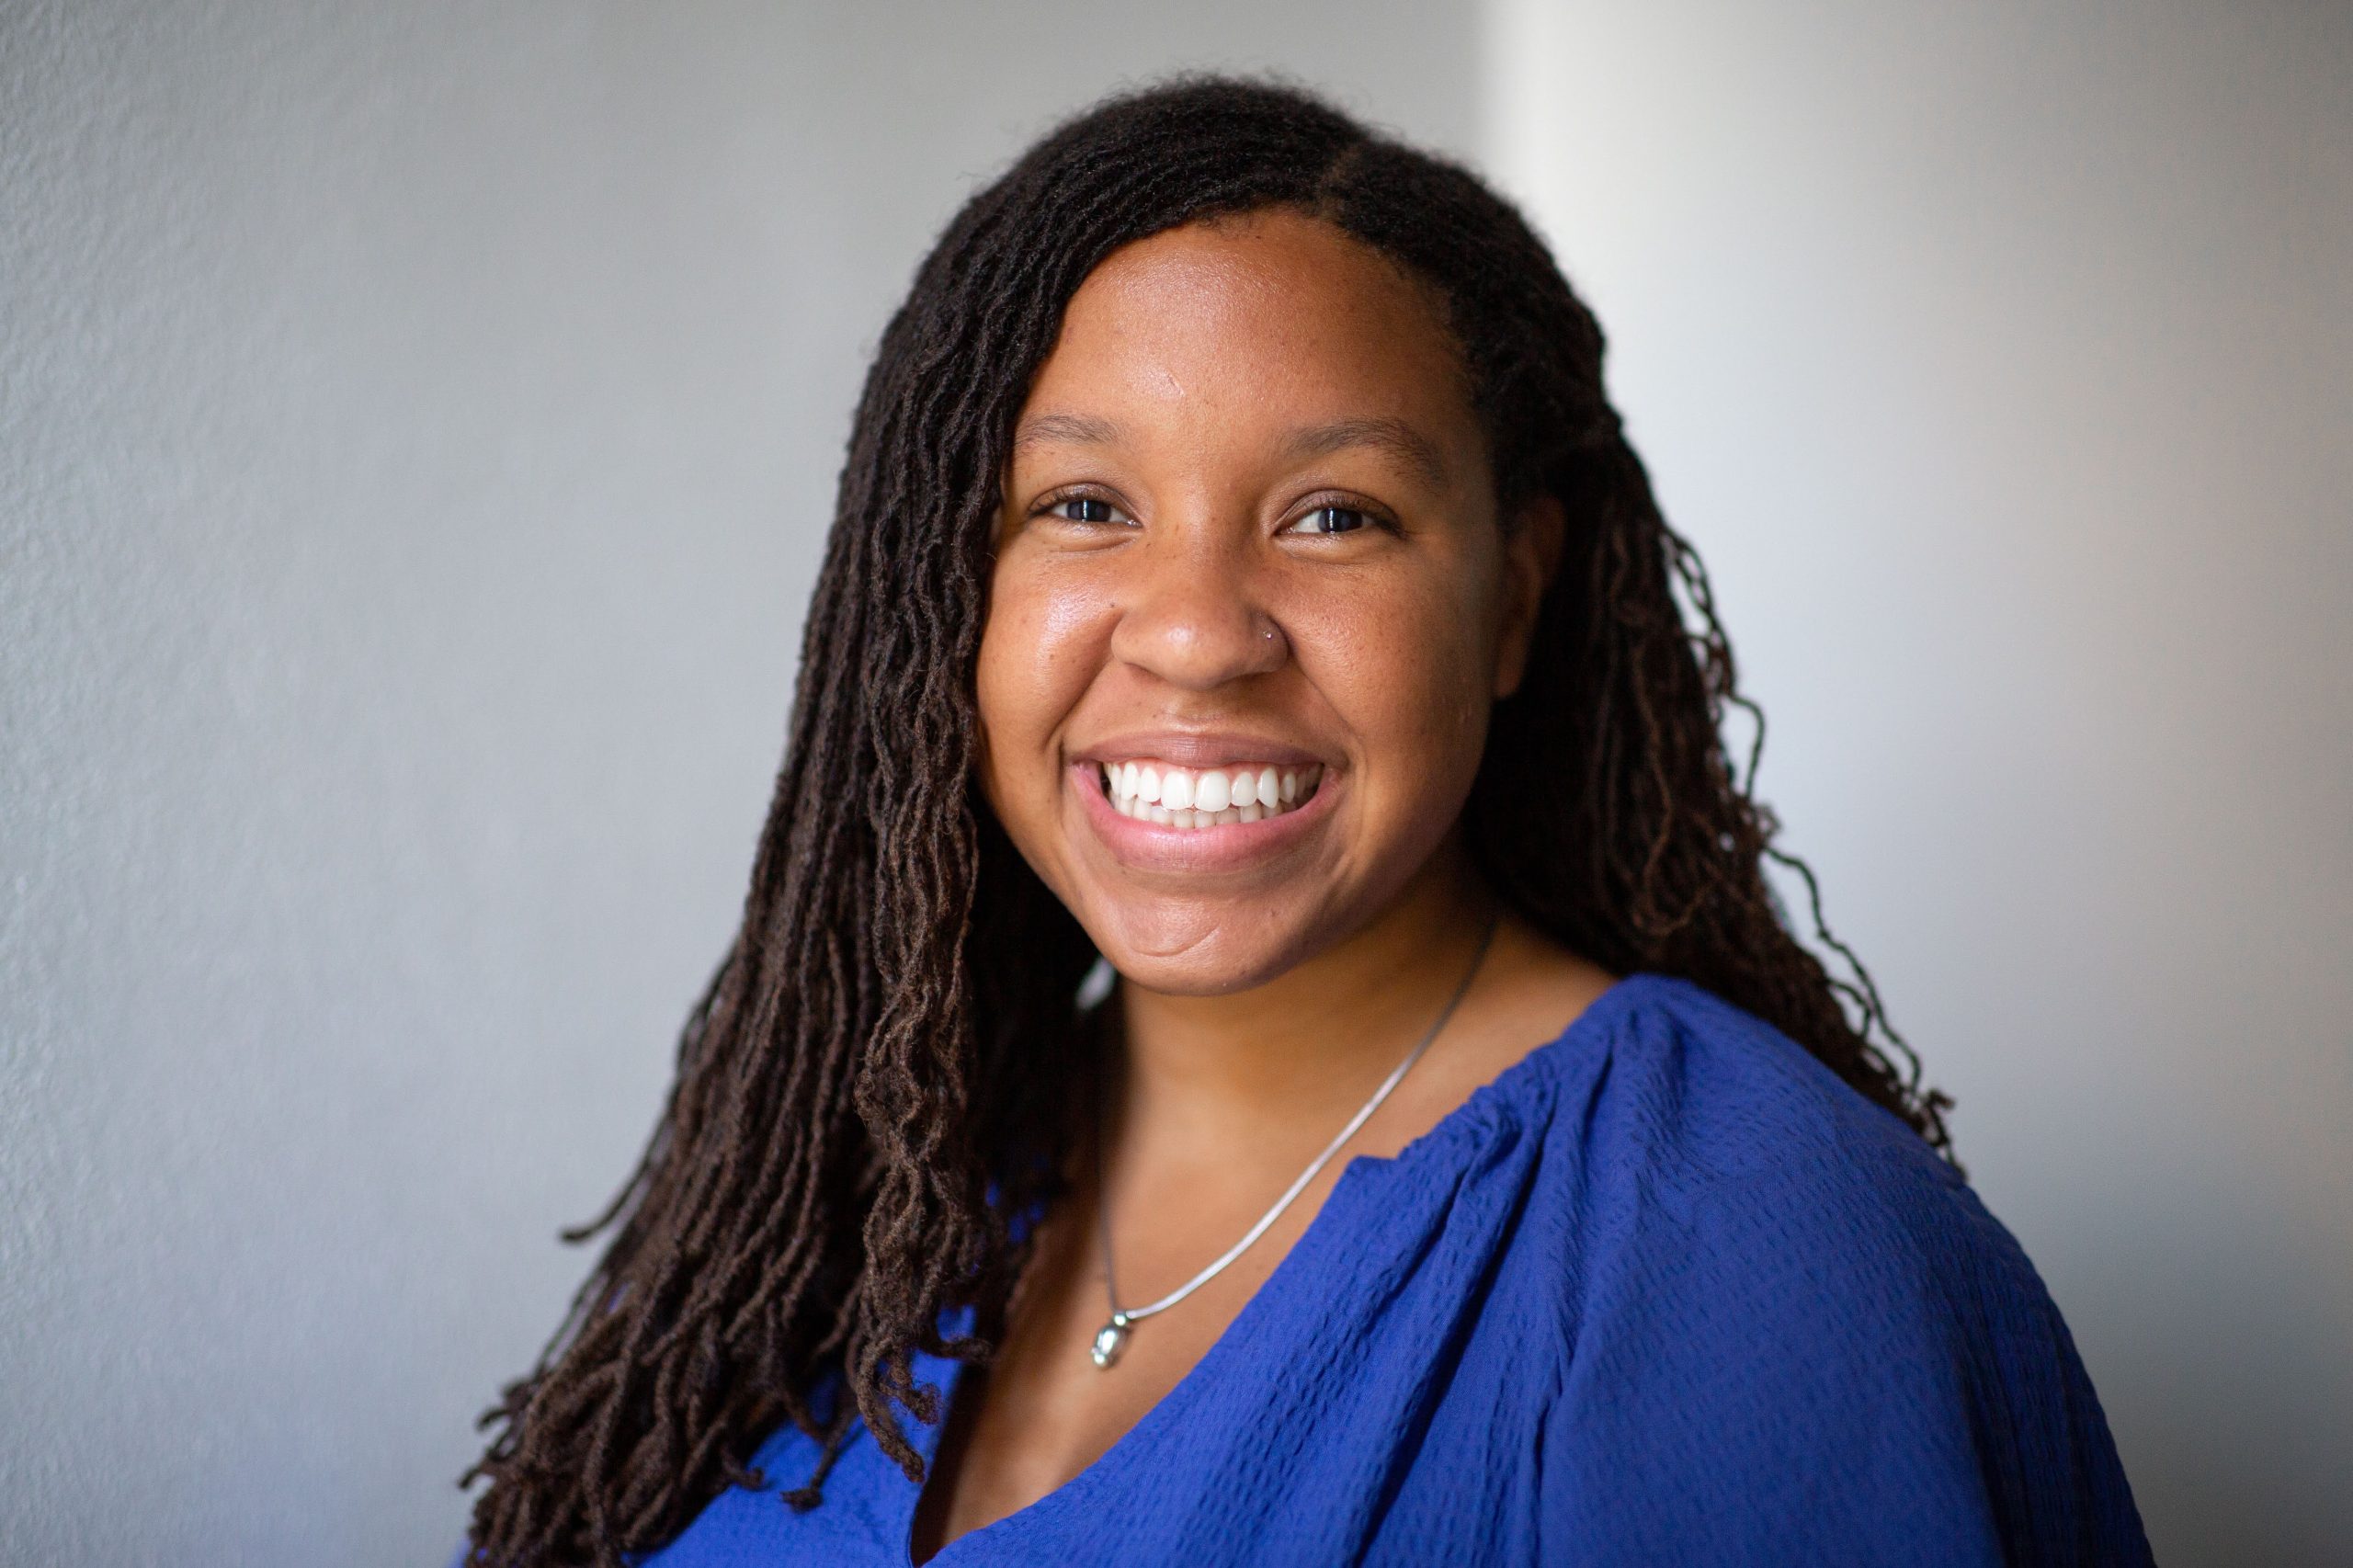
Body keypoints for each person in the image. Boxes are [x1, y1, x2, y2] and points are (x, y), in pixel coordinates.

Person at [449, 77, 2152, 1568]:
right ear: (937, 591)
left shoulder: (1745, 1248)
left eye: (1335, 514)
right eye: (1084, 505)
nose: (1197, 631)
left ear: (1513, 599)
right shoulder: (856, 1183)